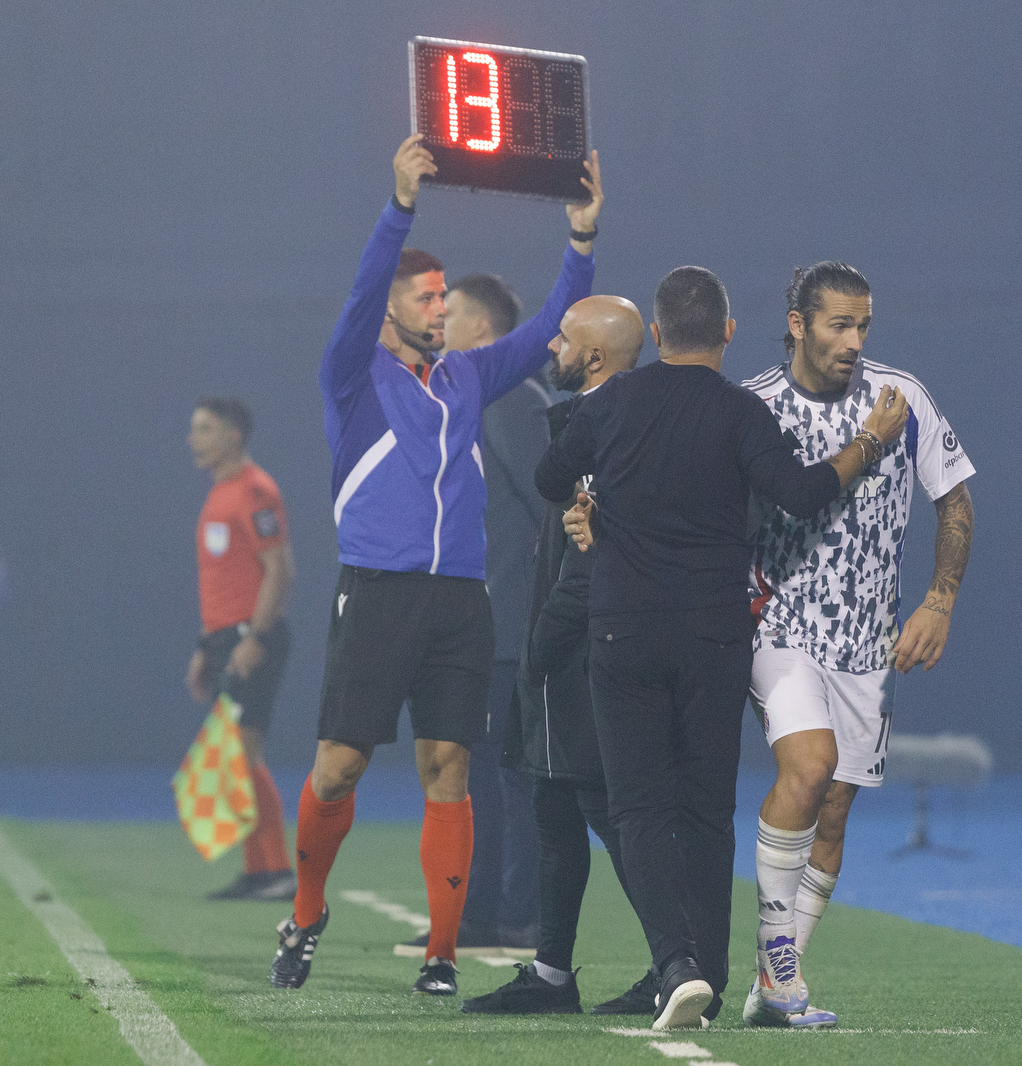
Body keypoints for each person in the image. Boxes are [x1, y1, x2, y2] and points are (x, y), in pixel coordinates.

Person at [269, 135, 604, 996]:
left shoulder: (465, 379)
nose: (439, 309)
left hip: (460, 603)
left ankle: (443, 954)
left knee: (449, 768)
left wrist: (579, 244)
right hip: (377, 596)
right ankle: (306, 911)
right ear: (389, 312)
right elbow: (356, 295)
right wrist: (400, 208)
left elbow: (542, 338)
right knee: (339, 768)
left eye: (442, 298)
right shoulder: (352, 374)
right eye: (424, 297)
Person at [534, 267, 907, 1030]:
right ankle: (710, 966)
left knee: (638, 805)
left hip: (625, 631)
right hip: (713, 637)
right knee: (708, 809)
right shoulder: (741, 413)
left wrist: (589, 498)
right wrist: (869, 442)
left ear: (659, 335)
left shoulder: (613, 403)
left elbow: (548, 476)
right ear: (729, 335)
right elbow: (801, 494)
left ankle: (675, 965)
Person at [739, 262, 976, 1028]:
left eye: (863, 324)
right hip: (779, 626)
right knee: (806, 768)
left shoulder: (902, 400)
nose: (853, 340)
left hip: (868, 640)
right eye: (838, 324)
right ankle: (779, 975)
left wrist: (939, 600)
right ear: (798, 324)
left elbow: (955, 502)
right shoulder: (755, 406)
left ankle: (779, 980)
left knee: (834, 811)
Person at [463, 295, 659, 1015]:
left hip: (585, 643)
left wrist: (544, 635)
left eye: (566, 341)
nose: (552, 351)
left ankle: (679, 964)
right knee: (554, 802)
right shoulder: (581, 415)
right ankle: (551, 974)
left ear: (597, 356)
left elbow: (593, 545)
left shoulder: (613, 422)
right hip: (562, 635)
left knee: (609, 810)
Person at [434, 272, 543, 949]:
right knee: (478, 773)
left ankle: (518, 914)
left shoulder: (508, 397)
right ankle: (477, 913)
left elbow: (550, 504)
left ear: (481, 329)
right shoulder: (480, 398)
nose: (435, 326)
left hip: (510, 626)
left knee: (511, 779)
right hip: (480, 621)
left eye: (447, 315)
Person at [185, 396, 296, 901]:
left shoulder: (254, 490)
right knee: (237, 754)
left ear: (233, 435)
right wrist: (205, 648)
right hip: (225, 638)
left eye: (205, 429)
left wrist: (255, 637)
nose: (194, 439)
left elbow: (280, 570)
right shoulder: (219, 493)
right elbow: (223, 579)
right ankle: (260, 870)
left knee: (246, 751)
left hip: (252, 637)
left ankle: (275, 872)